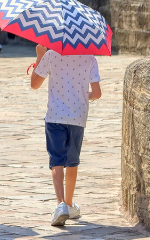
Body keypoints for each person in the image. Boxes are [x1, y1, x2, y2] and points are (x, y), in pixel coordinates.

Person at [30, 44, 102, 226]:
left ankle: (60, 203)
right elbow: (97, 93)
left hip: (55, 115)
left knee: (57, 161)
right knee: (72, 161)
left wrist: (40, 56)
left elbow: (34, 84)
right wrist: (81, 96)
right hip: (78, 117)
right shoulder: (90, 58)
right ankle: (69, 204)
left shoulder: (51, 55)